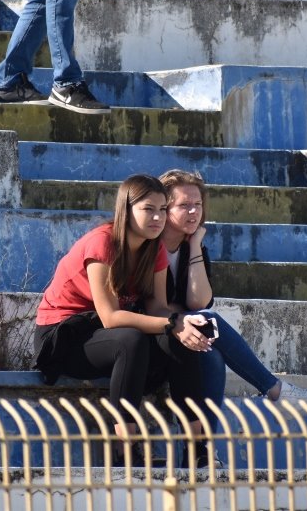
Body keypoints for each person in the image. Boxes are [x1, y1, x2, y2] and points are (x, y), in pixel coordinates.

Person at [33, 174, 213, 466]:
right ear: (126, 210)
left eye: (163, 209)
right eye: (148, 209)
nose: (158, 217)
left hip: (106, 335)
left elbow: (157, 305)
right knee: (131, 340)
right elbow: (111, 317)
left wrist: (180, 324)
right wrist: (171, 323)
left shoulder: (152, 248)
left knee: (180, 340)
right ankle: (125, 448)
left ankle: (196, 448)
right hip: (65, 336)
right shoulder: (102, 243)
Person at [158, 169, 307, 411]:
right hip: (153, 331)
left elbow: (199, 302)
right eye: (184, 205)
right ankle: (276, 390)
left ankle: (204, 446)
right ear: (166, 208)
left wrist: (194, 246)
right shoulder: (148, 246)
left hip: (184, 332)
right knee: (210, 321)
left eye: (198, 204)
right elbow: (157, 303)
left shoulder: (193, 249)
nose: (194, 211)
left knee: (212, 355)